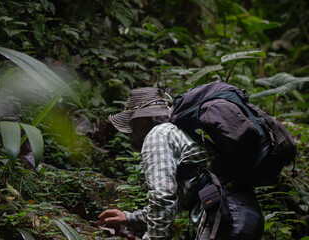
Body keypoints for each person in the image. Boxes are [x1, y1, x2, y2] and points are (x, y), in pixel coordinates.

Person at [98, 87, 264, 239]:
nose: (130, 134)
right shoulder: (182, 134)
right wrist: (129, 217)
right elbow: (175, 202)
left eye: (131, 125)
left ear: (141, 121)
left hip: (227, 219)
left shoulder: (158, 135)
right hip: (246, 215)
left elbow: (162, 197)